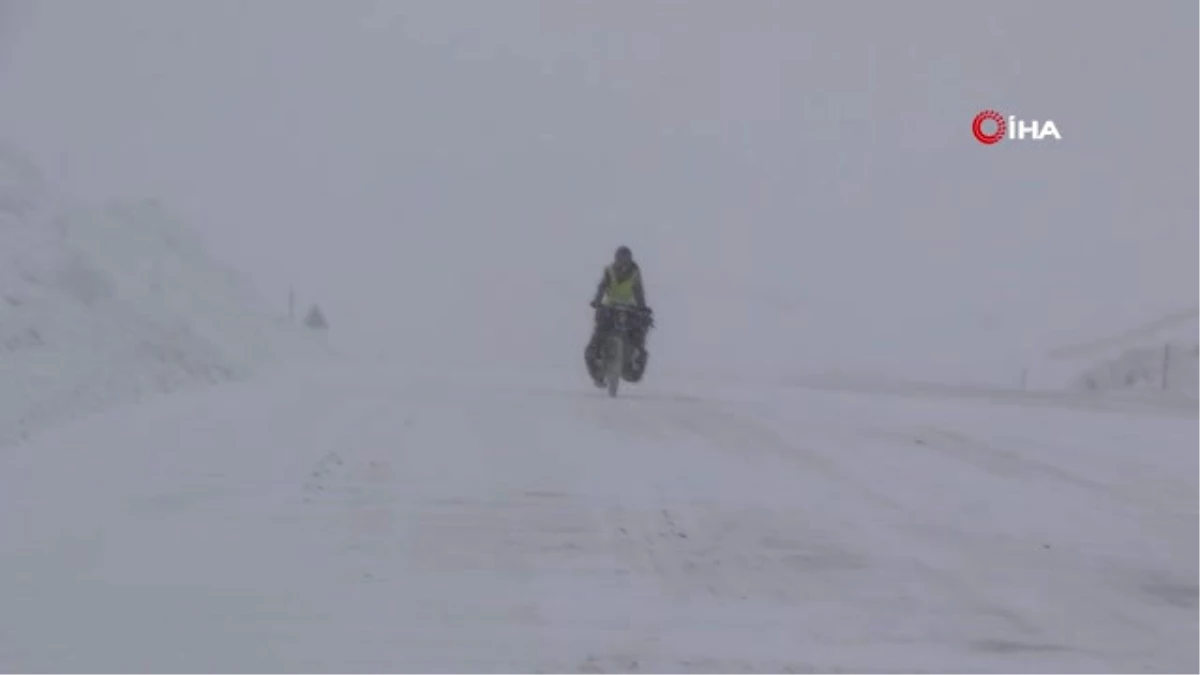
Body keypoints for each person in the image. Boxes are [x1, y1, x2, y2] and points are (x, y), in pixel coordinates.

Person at [585, 245, 652, 386]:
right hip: (610, 308)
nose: (623, 264)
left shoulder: (635, 272)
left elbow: (639, 291)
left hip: (630, 310)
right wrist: (597, 301)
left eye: (625, 261)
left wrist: (642, 308)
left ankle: (634, 363)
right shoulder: (609, 271)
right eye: (620, 261)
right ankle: (597, 370)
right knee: (596, 340)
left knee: (639, 335)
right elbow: (602, 287)